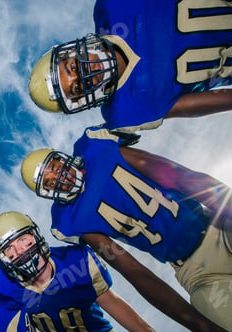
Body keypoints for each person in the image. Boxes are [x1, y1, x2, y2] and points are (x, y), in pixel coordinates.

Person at [20, 125, 231, 330]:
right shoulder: (71, 221)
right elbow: (133, 270)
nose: (59, 177)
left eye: (55, 167)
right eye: (48, 182)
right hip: (195, 271)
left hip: (217, 224)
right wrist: (200, 325)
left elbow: (183, 178)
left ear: (62, 156)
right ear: (48, 194)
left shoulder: (98, 148)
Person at [28, 0, 232, 133]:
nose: (84, 76)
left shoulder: (112, 7)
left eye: (72, 68)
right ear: (83, 102)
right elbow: (199, 103)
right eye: (78, 88)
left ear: (70, 51)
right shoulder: (127, 111)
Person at [0, 211, 154, 332]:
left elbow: (112, 302)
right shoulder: (4, 282)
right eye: (9, 248)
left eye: (23, 239)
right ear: (4, 259)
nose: (20, 251)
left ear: (35, 236)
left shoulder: (76, 261)